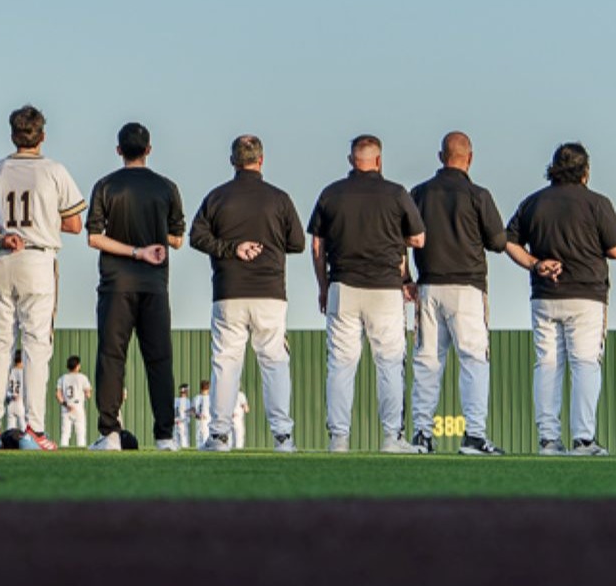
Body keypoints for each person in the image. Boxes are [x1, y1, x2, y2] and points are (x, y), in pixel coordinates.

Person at [0, 105, 86, 451]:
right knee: (37, 347)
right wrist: (45, 217)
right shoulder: (53, 170)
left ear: (13, 135)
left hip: (3, 257)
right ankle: (33, 429)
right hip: (38, 258)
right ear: (42, 136)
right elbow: (75, 223)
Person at [504, 142, 616, 456]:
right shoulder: (597, 203)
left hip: (544, 295)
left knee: (547, 365)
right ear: (585, 171)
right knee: (585, 364)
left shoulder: (533, 202)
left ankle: (548, 440)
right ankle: (583, 439)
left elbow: (509, 242)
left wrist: (535, 263)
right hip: (586, 295)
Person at [308, 134, 426, 454]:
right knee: (389, 363)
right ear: (379, 160)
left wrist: (323, 287)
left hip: (343, 286)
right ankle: (391, 437)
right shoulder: (396, 194)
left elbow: (317, 245)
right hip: (385, 289)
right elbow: (418, 239)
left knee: (341, 364)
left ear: (351, 160)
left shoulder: (331, 194)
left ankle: (339, 438)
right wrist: (393, 238)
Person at [188, 133, 305, 453]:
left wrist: (230, 248)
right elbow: (297, 243)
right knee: (274, 361)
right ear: (261, 160)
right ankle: (283, 436)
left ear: (232, 161)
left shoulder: (217, 197)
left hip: (229, 291)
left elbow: (196, 237)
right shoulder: (279, 199)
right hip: (270, 291)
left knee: (226, 363)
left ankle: (219, 435)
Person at [84, 122, 187, 451]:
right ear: (148, 149)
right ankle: (165, 436)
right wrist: (149, 243)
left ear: (119, 150)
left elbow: (94, 237)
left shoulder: (105, 186)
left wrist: (133, 251)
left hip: (116, 284)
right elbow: (177, 239)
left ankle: (110, 433)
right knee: (159, 359)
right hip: (154, 285)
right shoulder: (167, 187)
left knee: (112, 357)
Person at [408, 131, 509, 455]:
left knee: (427, 361)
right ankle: (474, 436)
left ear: (441, 157)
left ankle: (421, 434)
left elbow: (401, 237)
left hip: (429, 286)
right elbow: (498, 241)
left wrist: (406, 277)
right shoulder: (478, 195)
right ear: (471, 158)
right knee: (474, 360)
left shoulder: (418, 193)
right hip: (467, 289)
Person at [56, 356, 92, 449]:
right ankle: (82, 454)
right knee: (80, 434)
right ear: (78, 366)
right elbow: (88, 394)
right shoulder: (83, 378)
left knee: (65, 434)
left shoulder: (62, 378)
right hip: (78, 405)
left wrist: (65, 404)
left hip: (66, 406)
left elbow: (58, 395)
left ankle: (63, 453)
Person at [191, 379, 213, 449]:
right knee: (205, 437)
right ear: (208, 388)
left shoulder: (196, 398)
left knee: (198, 438)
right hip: (206, 420)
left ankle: (199, 450)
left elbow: (192, 411)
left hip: (198, 420)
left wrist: (197, 415)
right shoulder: (210, 398)